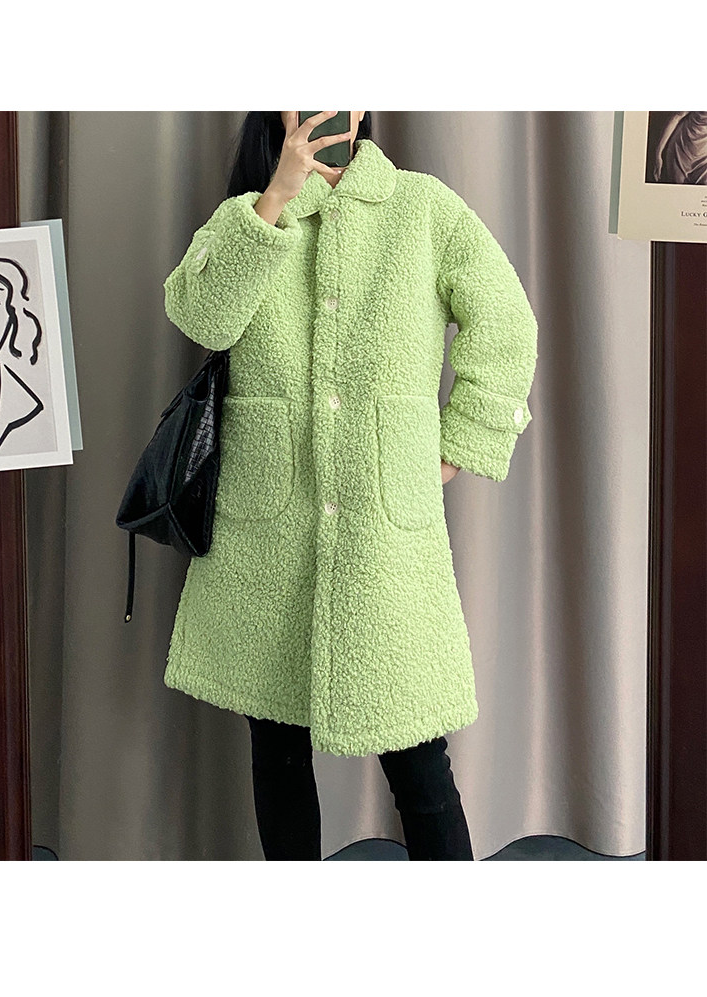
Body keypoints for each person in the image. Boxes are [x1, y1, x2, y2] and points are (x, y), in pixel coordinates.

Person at [162, 112, 539, 861]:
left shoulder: (422, 207)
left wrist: (461, 443)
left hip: (381, 528)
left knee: (421, 762)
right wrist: (274, 198)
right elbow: (200, 316)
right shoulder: (248, 215)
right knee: (276, 751)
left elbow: (506, 322)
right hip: (266, 529)